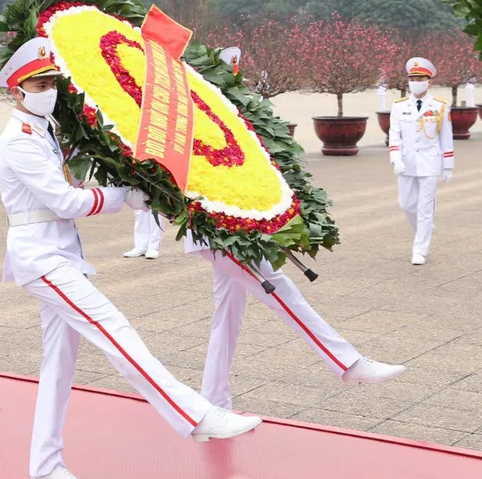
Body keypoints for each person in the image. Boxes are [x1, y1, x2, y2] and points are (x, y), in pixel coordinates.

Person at [0, 38, 261, 479]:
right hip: (41, 258)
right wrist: (123, 197)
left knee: (59, 365)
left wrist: (121, 182)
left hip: (58, 253)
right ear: (16, 91)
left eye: (51, 82)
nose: (48, 90)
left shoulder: (44, 129)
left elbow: (69, 188)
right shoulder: (19, 140)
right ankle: (193, 414)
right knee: (115, 329)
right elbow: (64, 201)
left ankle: (45, 466)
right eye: (39, 84)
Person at [187, 235, 406, 410]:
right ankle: (347, 363)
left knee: (227, 315)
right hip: (216, 229)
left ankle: (213, 401)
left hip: (228, 223)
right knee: (280, 291)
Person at [389, 57, 454, 265]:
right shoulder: (399, 107)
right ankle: (424, 229)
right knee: (407, 204)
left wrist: (448, 165)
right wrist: (395, 159)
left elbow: (446, 138)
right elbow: (394, 135)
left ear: (429, 81)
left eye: (420, 78)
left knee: (425, 209)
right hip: (406, 163)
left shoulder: (440, 107)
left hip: (430, 163)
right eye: (412, 78)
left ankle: (420, 250)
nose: (415, 81)